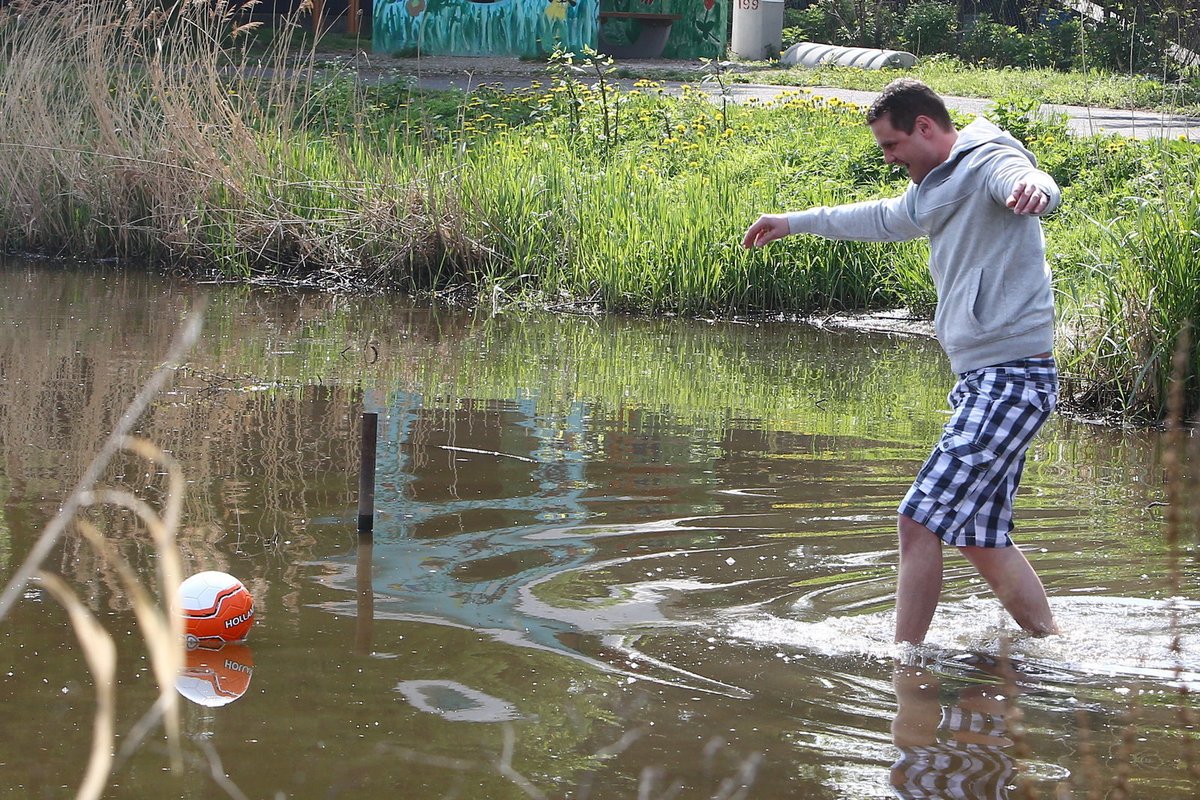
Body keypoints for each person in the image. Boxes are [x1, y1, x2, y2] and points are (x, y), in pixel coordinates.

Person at [742, 78, 1061, 645]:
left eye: (892, 146)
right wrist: (794, 221)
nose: (890, 159)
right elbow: (882, 218)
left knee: (918, 518)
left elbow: (1020, 176)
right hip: (985, 380)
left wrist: (1037, 186)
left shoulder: (989, 159)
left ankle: (903, 664)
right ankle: (1050, 645)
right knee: (979, 535)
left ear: (924, 127)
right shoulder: (933, 189)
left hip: (1012, 379)